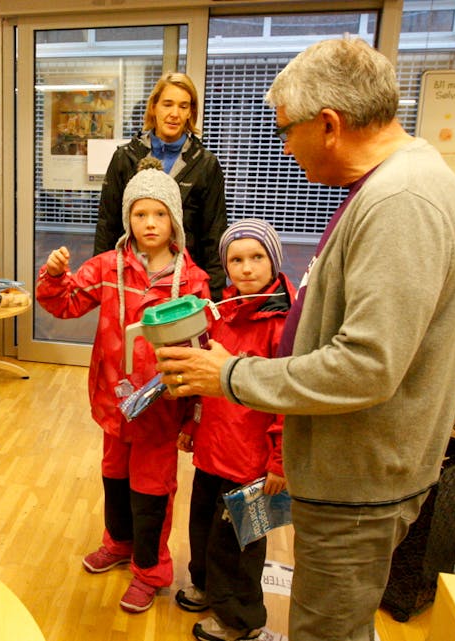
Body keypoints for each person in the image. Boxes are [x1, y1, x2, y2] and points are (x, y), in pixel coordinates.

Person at [155, 37, 455, 641]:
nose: (284, 147)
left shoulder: (402, 200)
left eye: (284, 131)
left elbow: (367, 365)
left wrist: (230, 375)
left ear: (328, 124)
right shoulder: (394, 185)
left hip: (361, 483)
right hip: (352, 472)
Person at [36, 157, 209, 613]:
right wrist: (53, 276)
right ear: (127, 217)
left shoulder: (193, 282)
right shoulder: (107, 267)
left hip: (160, 411)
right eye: (139, 213)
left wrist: (194, 415)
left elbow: (205, 351)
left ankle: (151, 571)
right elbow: (66, 304)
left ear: (174, 221)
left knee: (152, 491)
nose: (149, 223)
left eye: (159, 214)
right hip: (113, 405)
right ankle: (118, 542)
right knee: (114, 478)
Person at [176, 219, 294, 641]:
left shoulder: (285, 324)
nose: (246, 268)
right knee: (204, 526)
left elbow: (288, 401)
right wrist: (192, 423)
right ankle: (207, 587)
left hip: (253, 464)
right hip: (213, 450)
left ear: (273, 261)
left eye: (257, 258)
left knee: (240, 545)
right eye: (237, 260)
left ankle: (240, 620)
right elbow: (206, 377)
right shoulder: (221, 312)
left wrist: (280, 461)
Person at [93, 72, 228, 298]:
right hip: (130, 278)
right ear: (154, 107)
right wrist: (102, 283)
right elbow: (108, 225)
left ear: (190, 113)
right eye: (167, 104)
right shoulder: (125, 158)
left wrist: (214, 298)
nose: (174, 114)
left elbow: (214, 234)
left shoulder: (206, 164)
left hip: (183, 283)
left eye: (183, 106)